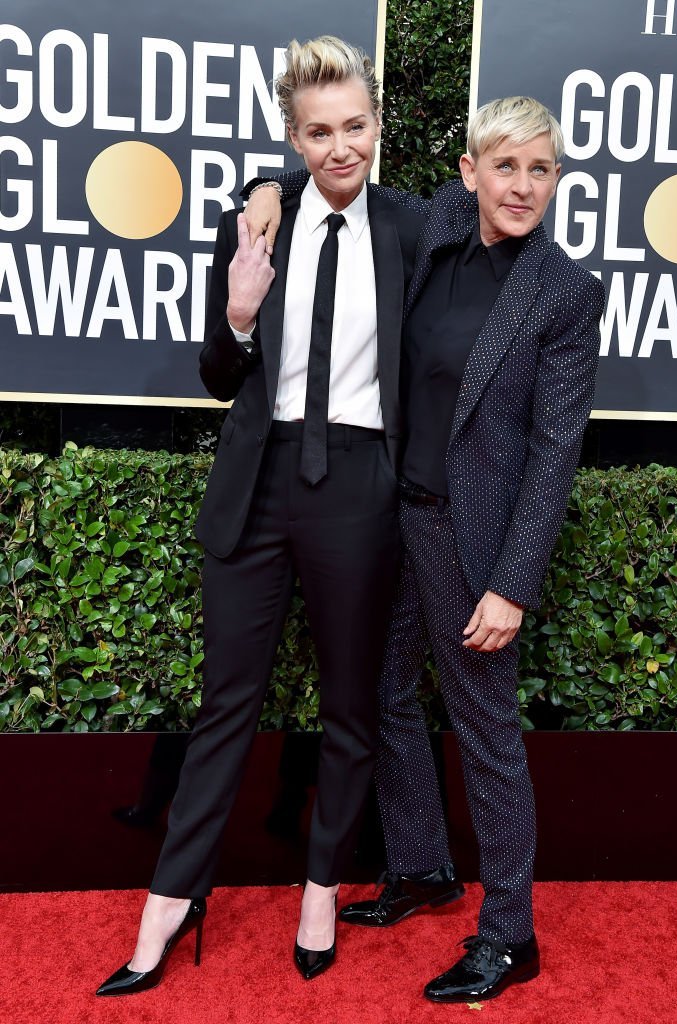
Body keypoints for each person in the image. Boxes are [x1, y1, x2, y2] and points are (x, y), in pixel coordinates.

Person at [244, 95, 605, 1003]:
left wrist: (513, 584)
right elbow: (336, 176)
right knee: (382, 695)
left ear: (556, 181)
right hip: (390, 515)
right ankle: (422, 867)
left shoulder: (563, 292)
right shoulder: (440, 224)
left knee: (486, 735)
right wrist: (266, 190)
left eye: (542, 169)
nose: (523, 186)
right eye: (507, 166)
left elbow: (557, 451)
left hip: (470, 542)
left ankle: (510, 934)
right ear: (469, 173)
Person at [96, 35, 425, 995]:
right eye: (318, 132)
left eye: (355, 125)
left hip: (360, 482)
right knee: (225, 704)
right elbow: (216, 374)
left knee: (351, 705)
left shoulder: (410, 229)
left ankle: (321, 885)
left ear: (377, 124)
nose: (340, 147)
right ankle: (170, 899)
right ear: (294, 134)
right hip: (258, 480)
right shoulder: (257, 224)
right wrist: (240, 315)